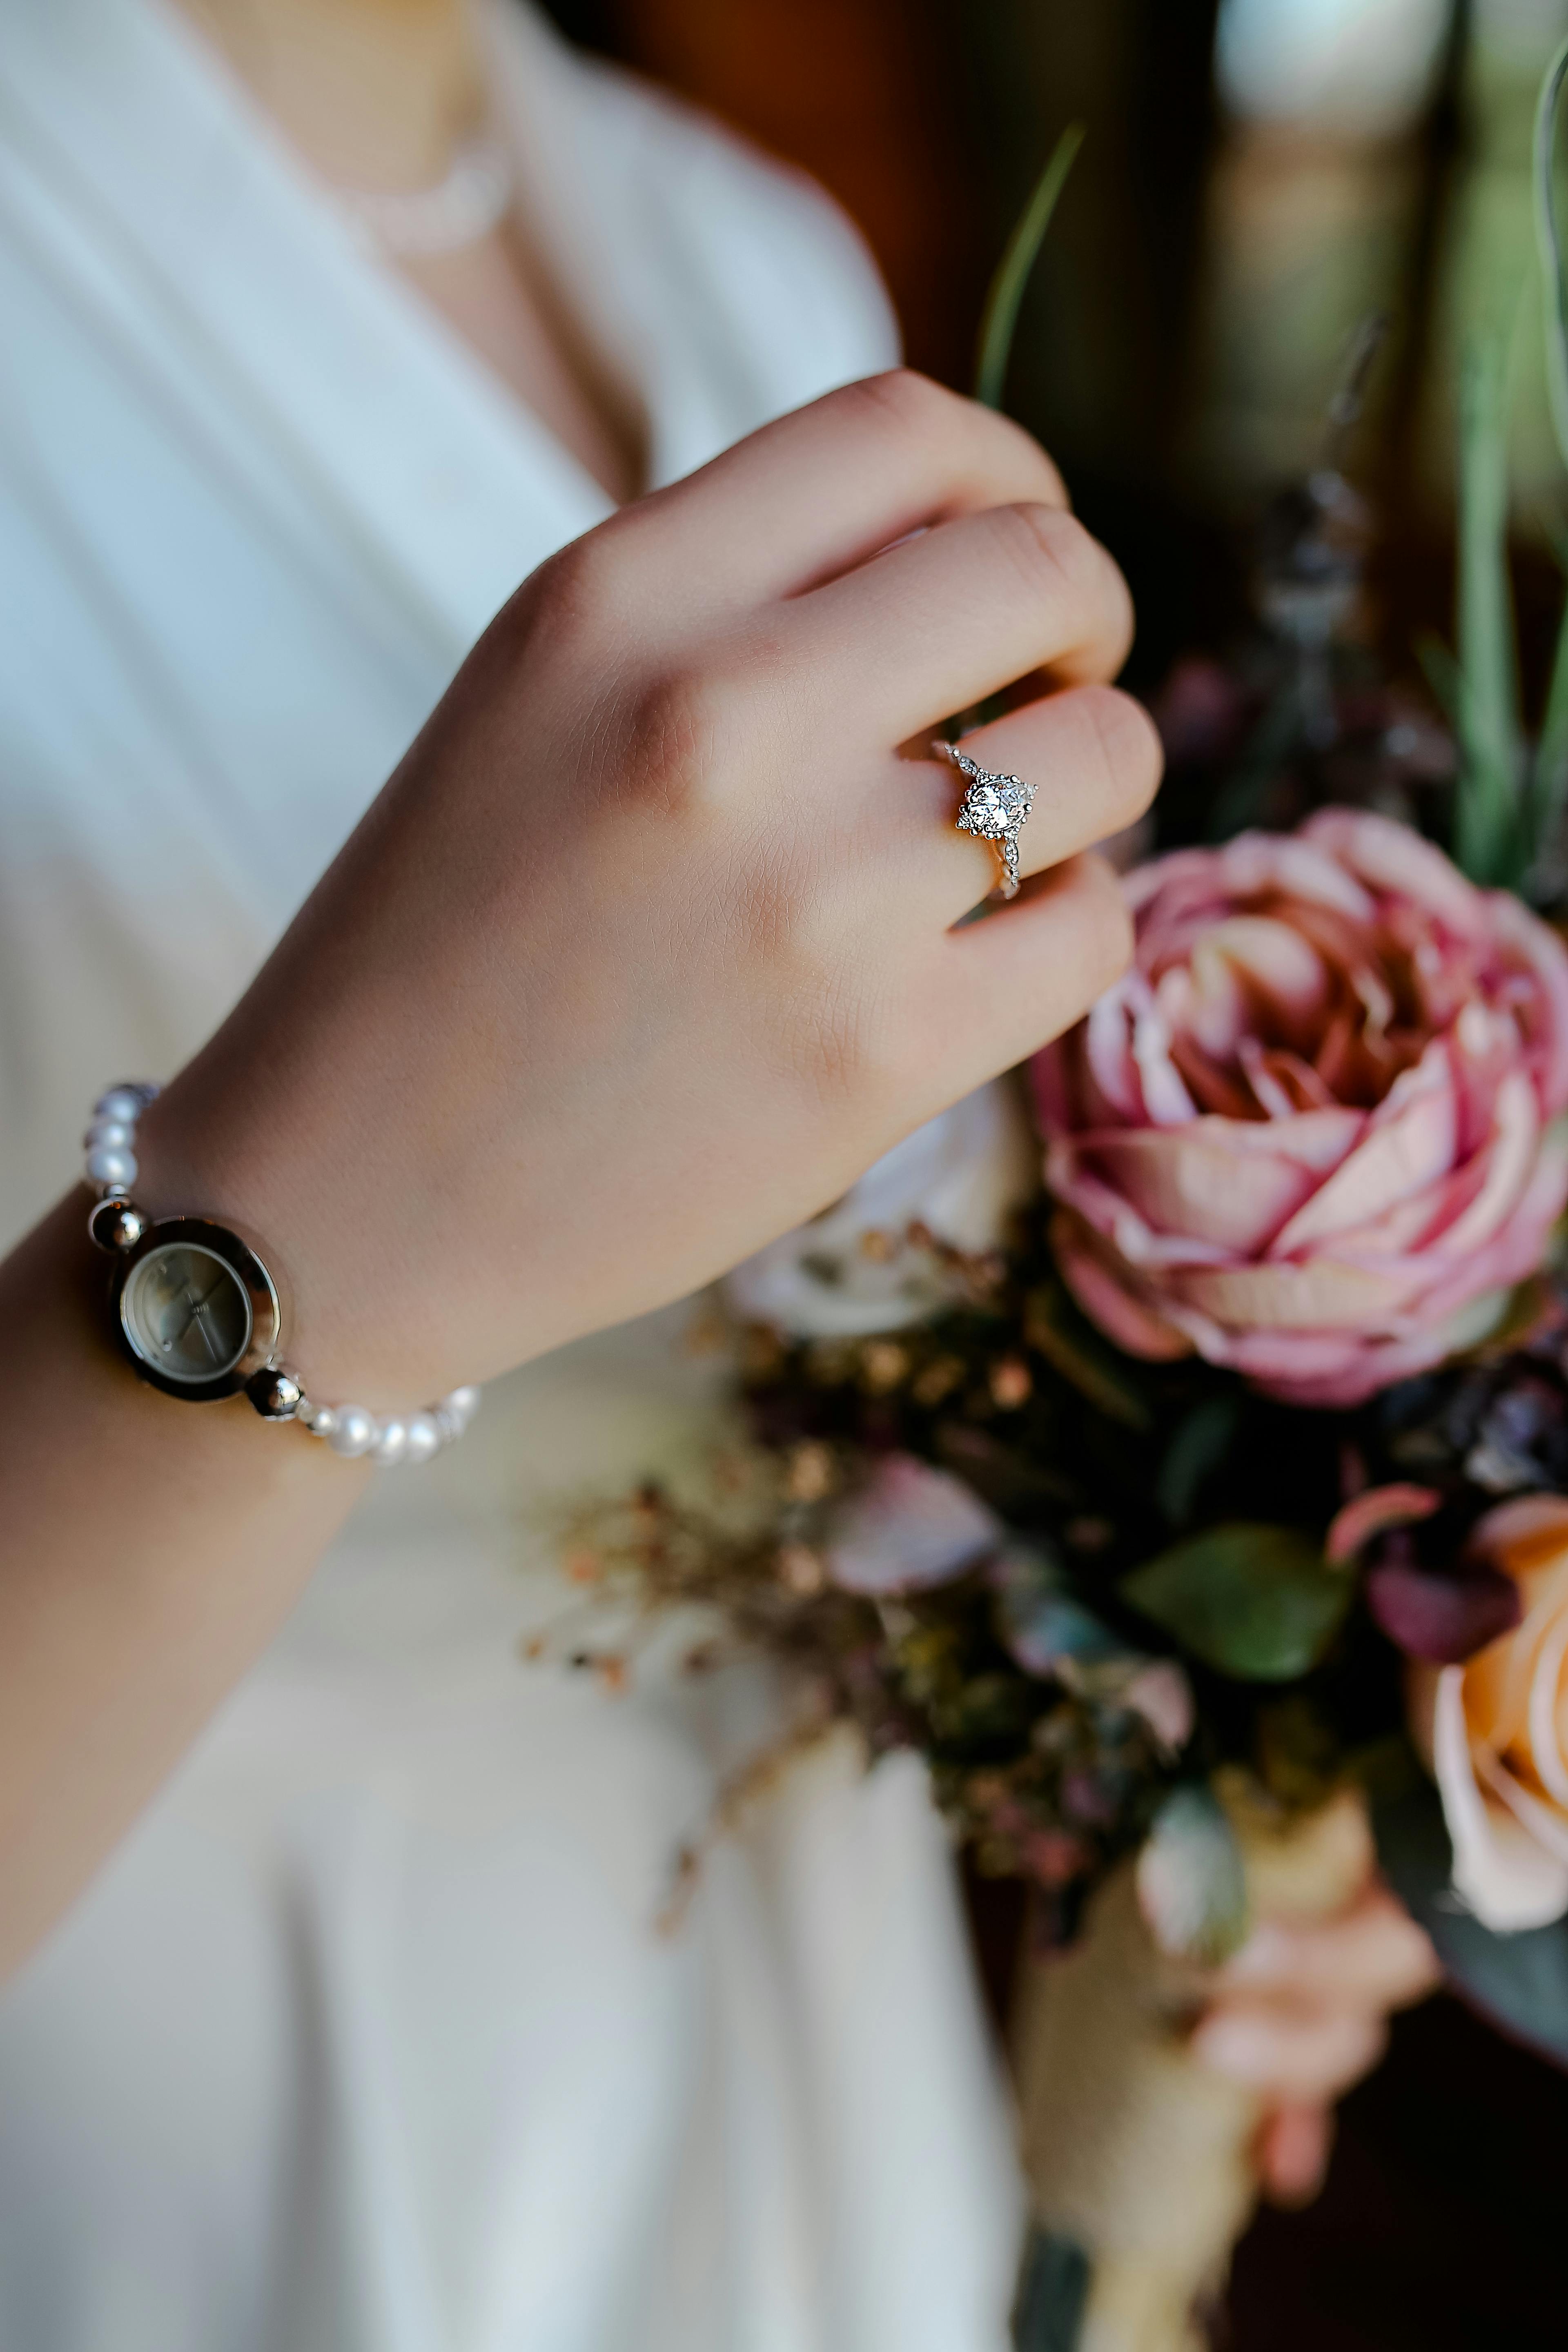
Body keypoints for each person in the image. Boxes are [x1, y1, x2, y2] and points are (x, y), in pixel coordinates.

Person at [0, 1, 1439, 2345]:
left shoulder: (752, 267)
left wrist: (1223, 1765)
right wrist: (305, 1244)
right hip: (206, 2189)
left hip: (821, 2112)